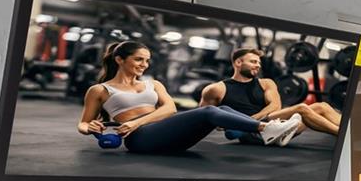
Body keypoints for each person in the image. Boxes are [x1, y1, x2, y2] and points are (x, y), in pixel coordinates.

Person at [77, 40, 299, 154]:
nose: (144, 65)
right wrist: (92, 128)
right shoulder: (100, 90)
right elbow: (84, 123)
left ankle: (263, 130)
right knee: (211, 111)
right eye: (138, 60)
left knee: (222, 111)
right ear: (119, 59)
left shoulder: (153, 84)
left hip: (170, 136)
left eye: (147, 61)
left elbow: (169, 110)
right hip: (141, 140)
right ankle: (266, 129)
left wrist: (134, 122)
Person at [200, 47, 342, 140]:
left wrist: (251, 120)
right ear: (238, 62)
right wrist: (232, 123)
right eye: (253, 61)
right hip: (249, 133)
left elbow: (275, 106)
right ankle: (342, 136)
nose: (258, 65)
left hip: (274, 125)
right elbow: (203, 117)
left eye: (259, 62)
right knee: (302, 108)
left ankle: (348, 132)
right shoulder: (217, 89)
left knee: (322, 106)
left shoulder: (266, 83)